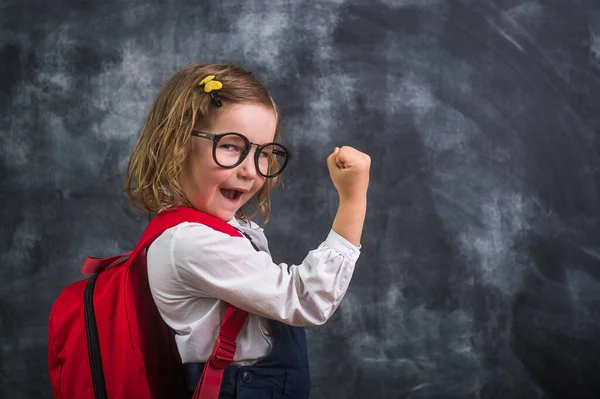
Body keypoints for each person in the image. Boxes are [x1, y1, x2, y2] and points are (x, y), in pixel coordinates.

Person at [123, 63, 371, 399]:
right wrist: (353, 201)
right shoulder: (191, 241)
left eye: (264, 153)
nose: (250, 171)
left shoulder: (223, 227)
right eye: (230, 146)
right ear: (177, 144)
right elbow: (304, 299)